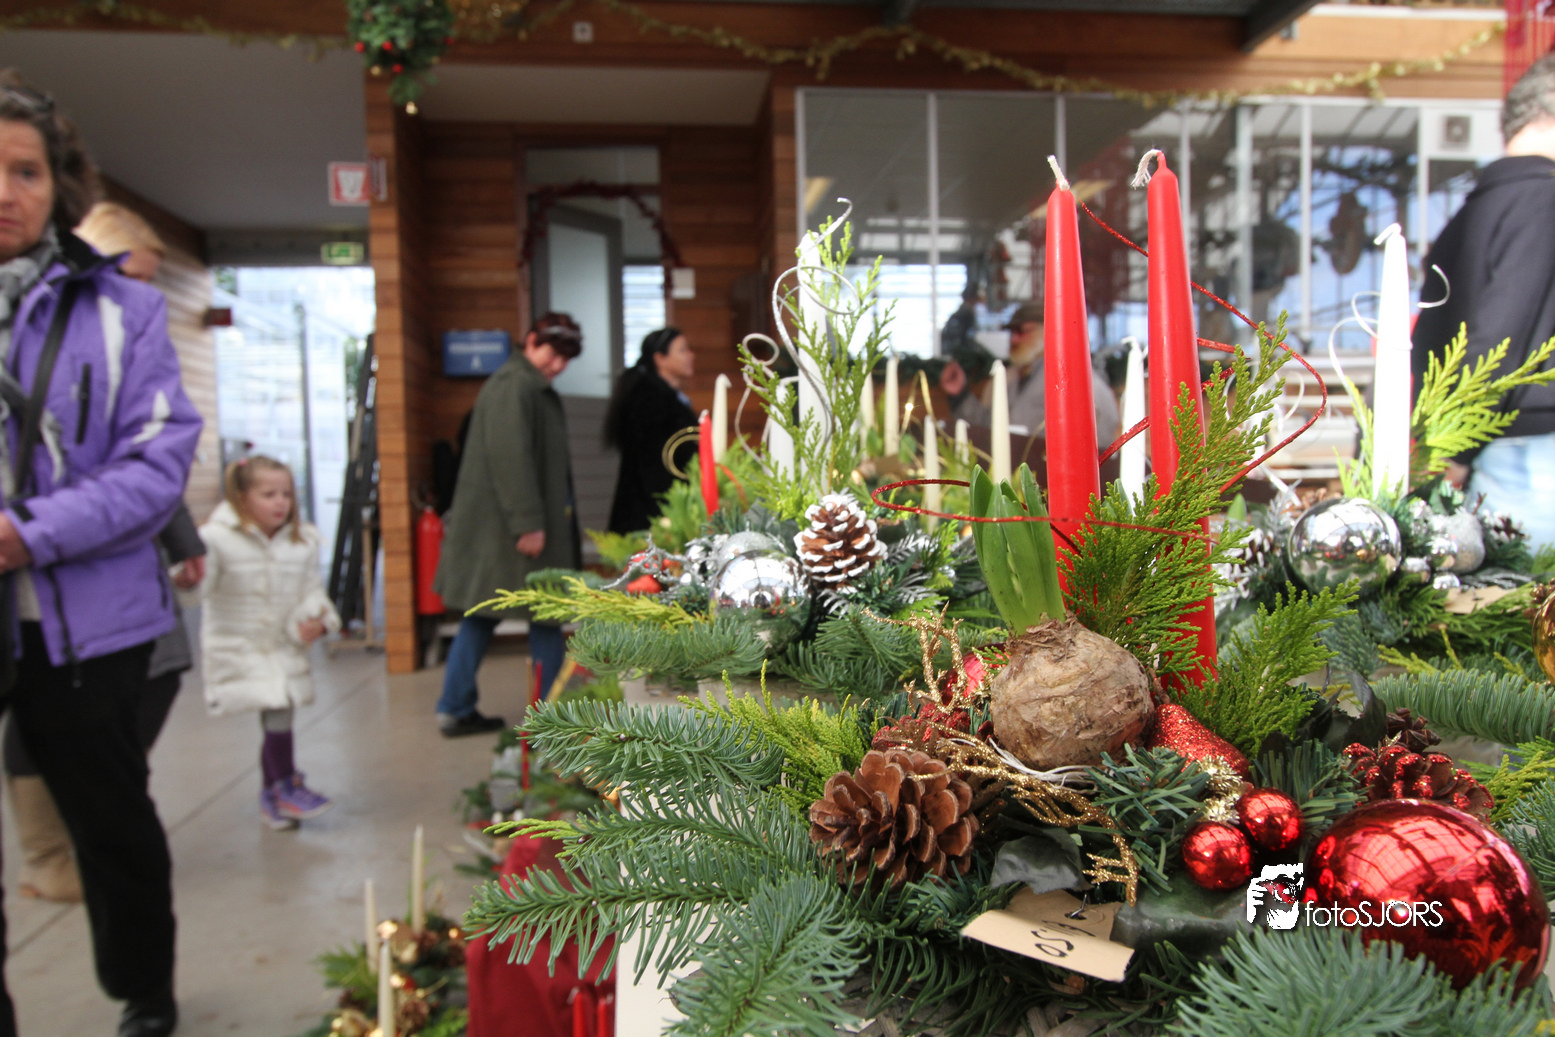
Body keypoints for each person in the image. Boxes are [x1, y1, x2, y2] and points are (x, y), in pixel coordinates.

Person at [0, 70, 201, 1037]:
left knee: (112, 819)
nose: (6, 192)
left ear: (59, 184)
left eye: (25, 170)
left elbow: (157, 462)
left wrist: (27, 534)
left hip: (88, 623)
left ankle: (143, 991)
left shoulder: (124, 313)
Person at [1412, 53, 1555, 551]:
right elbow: (1500, 337)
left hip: (1485, 450)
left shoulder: (1469, 215)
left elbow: (1429, 341)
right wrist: (1457, 450)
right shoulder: (1543, 200)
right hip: (1529, 456)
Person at [433, 313, 583, 737]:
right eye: (553, 354)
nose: (558, 365)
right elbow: (510, 458)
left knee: (489, 613)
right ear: (531, 341)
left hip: (508, 529)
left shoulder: (524, 384)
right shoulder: (515, 385)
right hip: (512, 531)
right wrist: (527, 524)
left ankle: (458, 706)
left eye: (566, 359)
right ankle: (549, 715)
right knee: (543, 613)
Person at [198, 456, 339, 831]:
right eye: (269, 494)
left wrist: (318, 621)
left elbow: (312, 592)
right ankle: (284, 785)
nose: (280, 503)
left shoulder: (302, 541)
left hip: (281, 645)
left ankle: (274, 794)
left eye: (286, 494)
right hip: (239, 646)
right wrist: (184, 577)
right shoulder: (215, 539)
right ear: (242, 497)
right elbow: (197, 590)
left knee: (280, 710)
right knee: (278, 711)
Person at [938, 299, 1120, 446]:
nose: (1014, 339)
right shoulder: (1015, 377)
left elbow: (1097, 445)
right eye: (1011, 332)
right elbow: (991, 427)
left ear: (1049, 330)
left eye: (1022, 331)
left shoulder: (1076, 380)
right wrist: (960, 394)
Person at [604, 326, 697, 534]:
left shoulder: (668, 398)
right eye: (682, 350)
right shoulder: (649, 400)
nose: (691, 355)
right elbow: (651, 462)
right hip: (650, 510)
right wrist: (666, 510)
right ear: (660, 358)